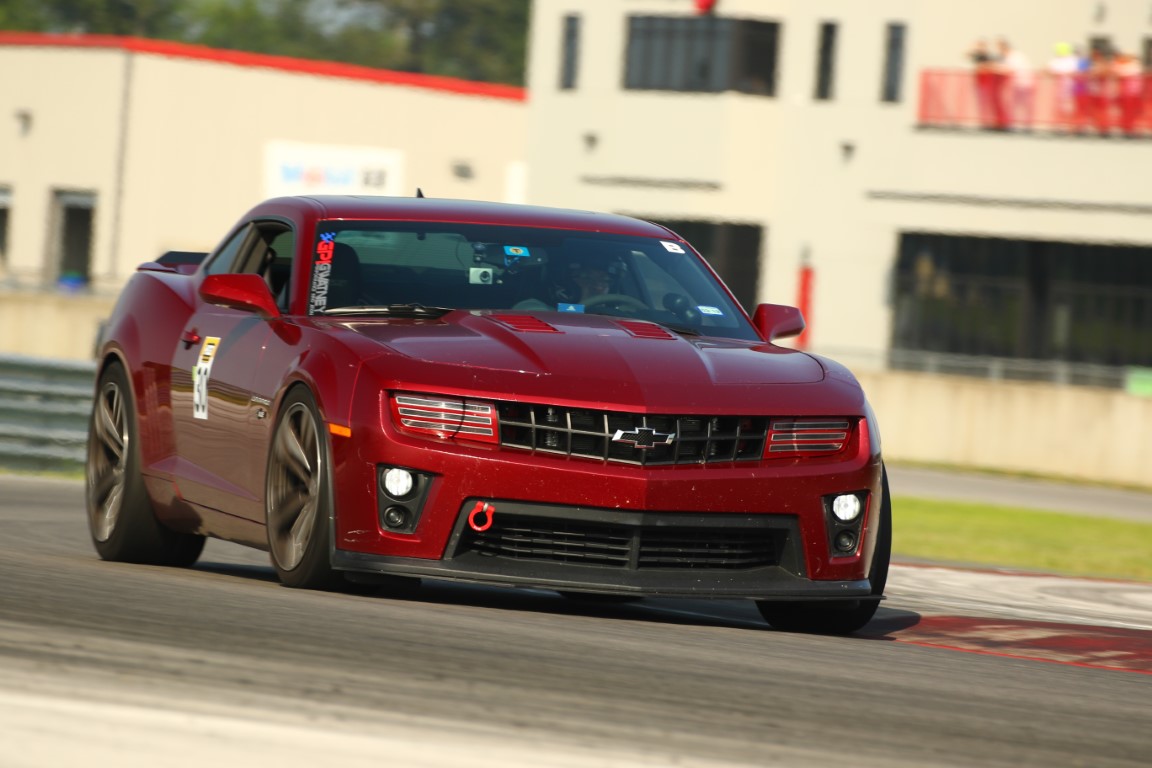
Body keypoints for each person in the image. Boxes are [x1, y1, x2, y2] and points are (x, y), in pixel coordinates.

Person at [996, 38, 1034, 130]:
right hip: (1020, 84)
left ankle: (1023, 124)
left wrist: (992, 67)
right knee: (1017, 104)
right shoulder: (1014, 56)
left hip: (1022, 83)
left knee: (1021, 104)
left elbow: (1008, 69)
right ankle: (1017, 123)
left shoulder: (1014, 56)